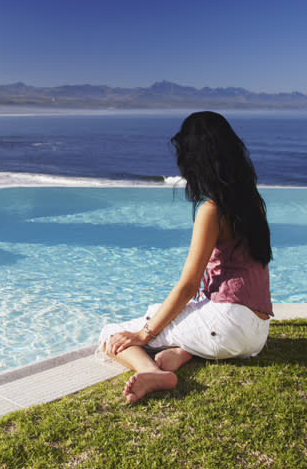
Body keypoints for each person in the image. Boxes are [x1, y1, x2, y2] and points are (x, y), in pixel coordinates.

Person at [99, 111, 273, 403]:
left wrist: (143, 335)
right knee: (170, 314)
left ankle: (152, 372)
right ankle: (184, 352)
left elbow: (188, 285)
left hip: (228, 325)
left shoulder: (212, 210)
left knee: (114, 333)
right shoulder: (253, 201)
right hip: (256, 334)